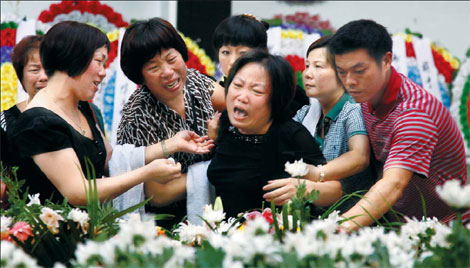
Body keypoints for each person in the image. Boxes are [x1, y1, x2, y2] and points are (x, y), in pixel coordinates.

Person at [7, 21, 211, 206]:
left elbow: (110, 161)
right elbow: (79, 192)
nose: (104, 72)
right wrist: (145, 173)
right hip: (52, 239)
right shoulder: (38, 122)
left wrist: (171, 145)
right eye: (99, 61)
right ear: (75, 59)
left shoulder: (82, 107)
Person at [327, 19, 467, 231]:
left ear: (386, 60)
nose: (349, 81)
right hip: (398, 224)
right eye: (342, 71)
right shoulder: (366, 97)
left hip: (444, 231)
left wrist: (331, 231)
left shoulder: (415, 114)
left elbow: (393, 184)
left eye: (359, 70)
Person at [117, 17, 224, 228]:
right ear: (140, 76)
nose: (167, 72)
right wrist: (215, 170)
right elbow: (157, 194)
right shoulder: (137, 114)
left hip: (212, 211)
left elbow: (235, 105)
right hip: (162, 224)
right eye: (153, 67)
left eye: (171, 59)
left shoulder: (196, 81)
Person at [207, 49, 326, 219]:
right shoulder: (226, 124)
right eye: (237, 85)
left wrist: (303, 188)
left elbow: (335, 188)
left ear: (276, 100)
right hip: (227, 235)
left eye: (256, 91)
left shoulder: (292, 135)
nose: (242, 96)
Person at [263, 36, 376, 213]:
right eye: (307, 65)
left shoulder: (353, 109)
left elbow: (359, 156)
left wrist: (317, 173)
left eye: (318, 66)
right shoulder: (306, 113)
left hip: (351, 220)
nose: (307, 73)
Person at [211, 14, 309, 120]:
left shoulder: (286, 95)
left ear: (261, 53)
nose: (233, 61)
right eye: (225, 52)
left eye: (242, 53)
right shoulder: (217, 91)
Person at [1, 35, 47, 209]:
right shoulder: (5, 120)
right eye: (35, 70)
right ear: (21, 76)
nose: (43, 77)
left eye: (49, 69)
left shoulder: (81, 114)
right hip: (22, 219)